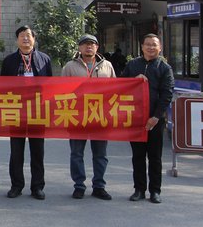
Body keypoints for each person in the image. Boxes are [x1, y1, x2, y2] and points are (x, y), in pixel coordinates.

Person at [0, 25, 53, 200]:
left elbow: (50, 86)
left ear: (34, 39)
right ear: (17, 40)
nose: (25, 38)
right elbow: (1, 87)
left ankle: (37, 187)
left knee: (38, 151)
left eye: (28, 35)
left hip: (38, 112)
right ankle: (16, 185)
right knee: (16, 151)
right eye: (22, 35)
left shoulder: (44, 59)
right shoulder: (9, 61)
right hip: (16, 111)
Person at [122, 33, 174, 204]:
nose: (151, 47)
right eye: (148, 44)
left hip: (154, 120)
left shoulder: (164, 68)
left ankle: (155, 191)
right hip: (135, 119)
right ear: (142, 47)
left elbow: (167, 94)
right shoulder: (132, 65)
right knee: (137, 156)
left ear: (160, 48)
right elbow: (120, 85)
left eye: (154, 44)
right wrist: (133, 80)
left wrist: (156, 116)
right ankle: (139, 189)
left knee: (155, 157)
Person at [62, 34, 115, 200]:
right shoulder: (70, 67)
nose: (89, 47)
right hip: (77, 117)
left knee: (100, 155)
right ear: (79, 47)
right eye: (85, 44)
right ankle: (79, 186)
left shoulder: (107, 66)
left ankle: (99, 186)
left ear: (97, 47)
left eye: (92, 44)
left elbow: (116, 90)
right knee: (76, 154)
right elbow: (62, 91)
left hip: (100, 117)